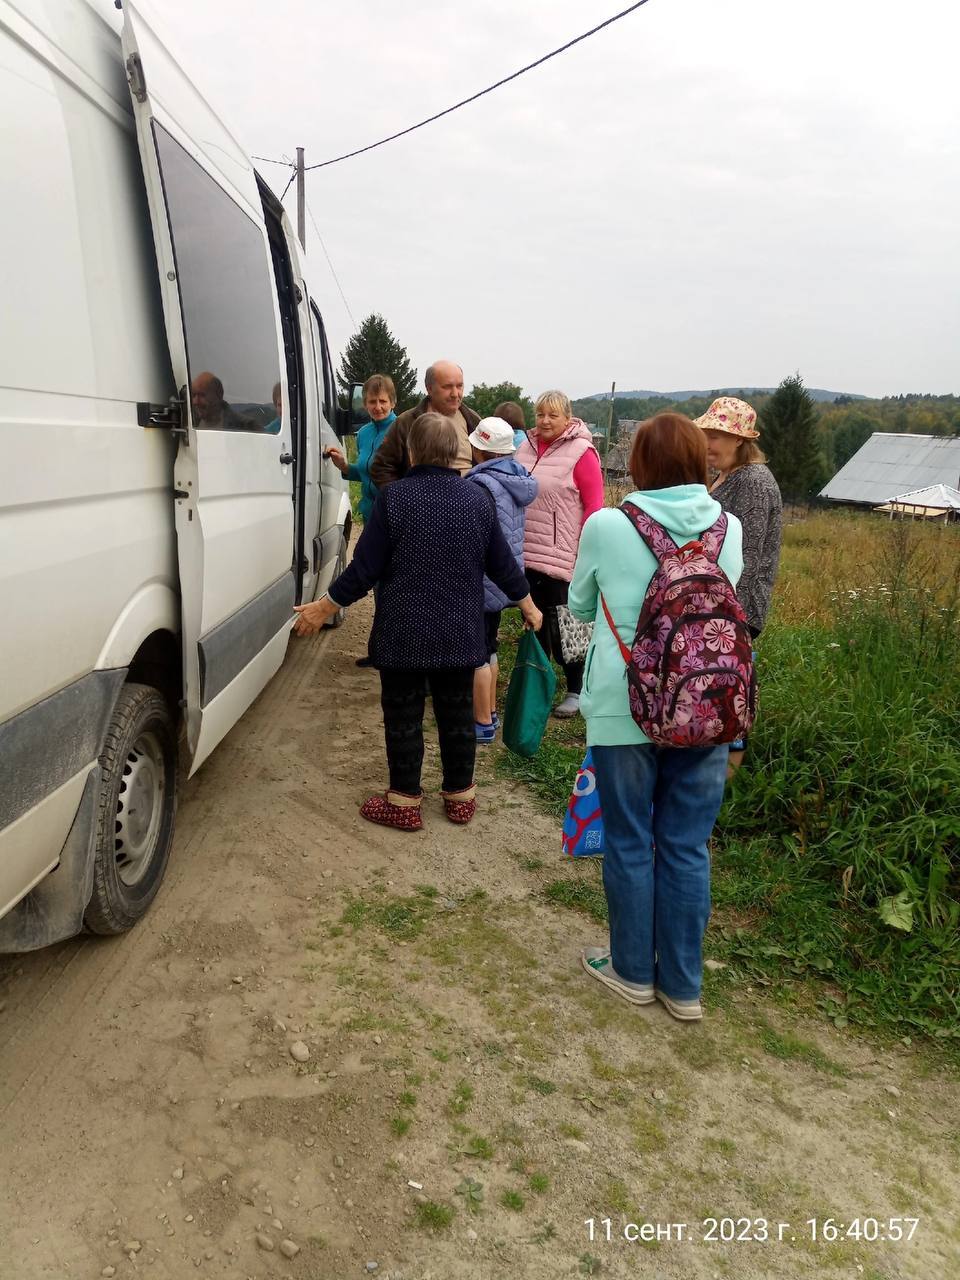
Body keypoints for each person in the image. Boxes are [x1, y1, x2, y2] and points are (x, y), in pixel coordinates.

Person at [568, 413, 744, 1022]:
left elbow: (579, 603)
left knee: (629, 840)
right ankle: (684, 986)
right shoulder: (730, 528)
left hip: (624, 707)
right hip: (707, 706)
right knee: (688, 846)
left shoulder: (609, 523)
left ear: (638, 464)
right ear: (700, 463)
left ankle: (632, 971)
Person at [293, 413, 542, 831]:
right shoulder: (477, 500)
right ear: (455, 453)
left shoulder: (395, 499)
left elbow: (364, 569)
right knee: (457, 715)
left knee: (403, 715)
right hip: (461, 633)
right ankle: (460, 797)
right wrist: (529, 605)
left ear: (411, 452)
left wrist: (325, 606)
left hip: (403, 632)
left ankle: (404, 802)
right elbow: (504, 565)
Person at [694, 396, 782, 775]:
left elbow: (748, 553)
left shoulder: (754, 482)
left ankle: (724, 779)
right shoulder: (726, 475)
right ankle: (706, 768)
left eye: (718, 435)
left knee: (730, 689)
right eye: (707, 433)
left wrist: (730, 611)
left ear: (741, 440)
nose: (709, 442)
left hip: (738, 604)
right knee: (714, 686)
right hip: (719, 600)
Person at [516, 391, 603, 718]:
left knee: (567, 624)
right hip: (527, 550)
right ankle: (538, 686)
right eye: (540, 414)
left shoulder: (582, 453)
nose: (545, 421)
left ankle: (576, 689)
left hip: (562, 553)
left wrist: (588, 552)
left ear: (568, 418)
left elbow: (594, 506)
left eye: (553, 415)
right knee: (533, 620)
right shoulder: (524, 447)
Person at [465, 417, 538, 743]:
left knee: (477, 653)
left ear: (480, 449)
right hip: (505, 578)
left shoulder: (481, 485)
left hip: (482, 578)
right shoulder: (517, 479)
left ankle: (481, 723)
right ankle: (490, 711)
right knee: (490, 647)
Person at [324, 374, 398, 667]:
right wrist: (345, 466)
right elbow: (365, 472)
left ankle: (396, 653)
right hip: (372, 516)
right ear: (364, 404)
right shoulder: (366, 432)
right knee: (379, 584)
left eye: (383, 401)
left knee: (392, 585)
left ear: (393, 402)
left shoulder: (402, 429)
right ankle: (380, 651)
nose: (377, 406)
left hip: (396, 518)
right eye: (372, 401)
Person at [369, 361, 479, 484]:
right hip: (420, 499)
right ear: (429, 388)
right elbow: (381, 467)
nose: (455, 394)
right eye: (447, 387)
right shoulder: (406, 422)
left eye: (459, 386)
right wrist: (400, 497)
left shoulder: (474, 421)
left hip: (468, 498)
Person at [190, 371, 259, 431]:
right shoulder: (189, 423)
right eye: (193, 395)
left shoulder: (247, 426)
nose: (196, 401)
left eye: (202, 395)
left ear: (219, 395)